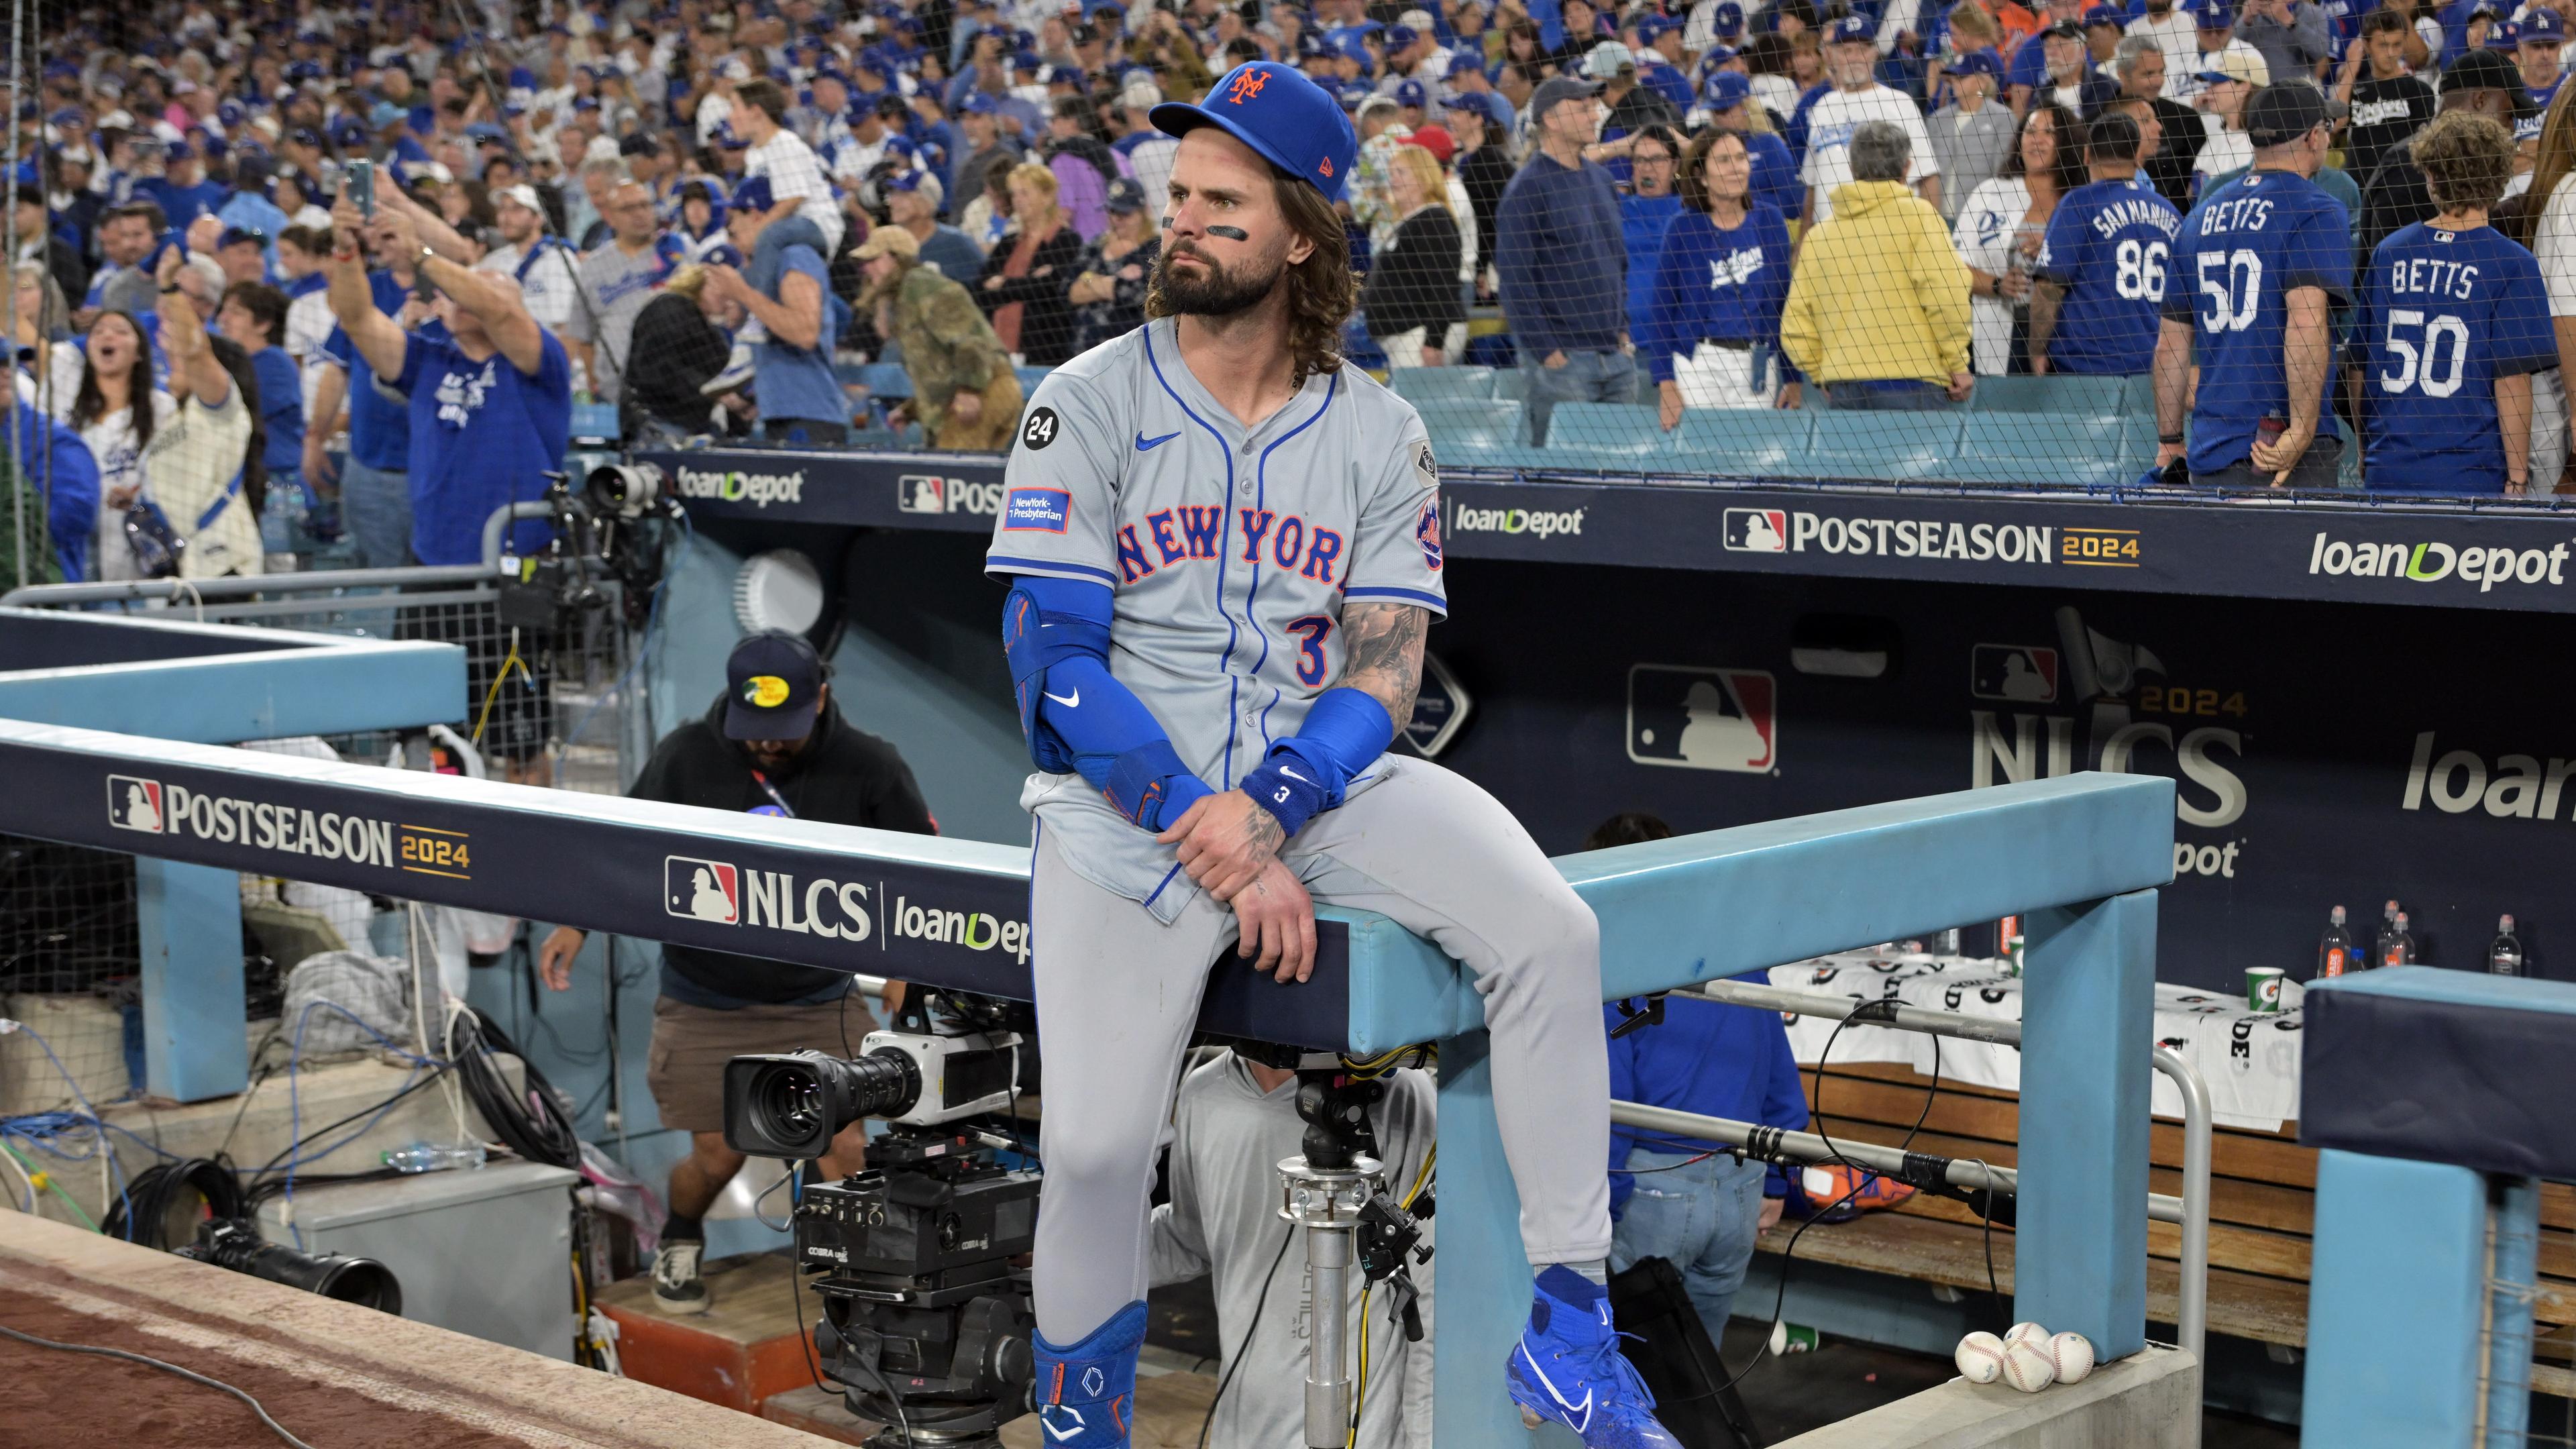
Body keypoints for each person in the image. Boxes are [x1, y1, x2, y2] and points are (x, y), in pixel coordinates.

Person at [983, 60, 1677, 1449]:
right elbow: (1054, 665)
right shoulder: (1087, 398)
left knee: (1550, 932)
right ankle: (1082, 1428)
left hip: (1321, 786)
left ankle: (1570, 1331)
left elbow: (1387, 668)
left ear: (1301, 232)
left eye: (1222, 202)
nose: (1183, 222)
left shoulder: (1381, 430)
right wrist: (1217, 831)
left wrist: (1281, 808)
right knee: (1099, 1152)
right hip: (1133, 815)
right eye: (1178, 197)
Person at [536, 631, 936, 1313]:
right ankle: (681, 1232)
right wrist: (575, 924)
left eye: (783, 731)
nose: (768, 745)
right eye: (756, 731)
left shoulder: (870, 764)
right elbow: (617, 844)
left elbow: (920, 874)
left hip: (818, 996)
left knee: (843, 1148)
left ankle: (865, 1280)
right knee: (720, 1155)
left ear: (822, 699)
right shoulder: (686, 757)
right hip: (706, 999)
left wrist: (909, 972)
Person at [1582, 812, 1807, 1352]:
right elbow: (1782, 1087)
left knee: (1634, 1374)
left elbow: (1613, 1110)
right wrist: (1776, 1185)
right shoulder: (1743, 963)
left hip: (1652, 1194)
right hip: (1741, 1192)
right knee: (1697, 1371)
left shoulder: (1619, 974)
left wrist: (1601, 1213)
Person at [1148, 1049, 1436, 1449]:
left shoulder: (1397, 1093)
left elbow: (1435, 1294)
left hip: (1361, 1431)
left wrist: (1426, 1438)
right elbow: (1188, 1236)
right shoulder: (1204, 1090)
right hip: (1243, 1425)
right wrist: (1064, 1263)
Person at [323, 197, 570, 580]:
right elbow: (356, 318)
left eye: (478, 292)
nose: (466, 299)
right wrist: (345, 250)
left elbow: (499, 312)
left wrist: (420, 254)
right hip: (432, 560)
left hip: (519, 561)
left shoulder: (539, 361)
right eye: (458, 293)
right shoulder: (428, 361)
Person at [2155, 80, 2353, 486]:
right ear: (2314, 137)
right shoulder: (2316, 209)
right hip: (2286, 453)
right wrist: (2301, 430)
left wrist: (2170, 439)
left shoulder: (2200, 214)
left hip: (2213, 448)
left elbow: (2171, 343)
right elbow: (2305, 322)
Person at [2353, 110, 2553, 491]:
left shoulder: (2389, 252)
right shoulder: (2512, 264)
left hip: (2389, 467)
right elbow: (2512, 381)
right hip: (2470, 477)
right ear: (2499, 177)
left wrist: (2366, 454)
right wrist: (2517, 477)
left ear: (2430, 177)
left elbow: (2359, 367)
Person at [1782, 119, 1976, 407]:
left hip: (1845, 387)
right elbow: (1945, 292)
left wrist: (1821, 370)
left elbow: (1794, 324)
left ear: (1852, 168)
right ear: (1907, 168)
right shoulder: (1921, 218)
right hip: (1915, 383)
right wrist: (1957, 361)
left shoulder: (1819, 235)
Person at [1498, 74, 1633, 444]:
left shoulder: (1603, 180)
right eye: (1582, 107)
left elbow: (1617, 262)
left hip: (1616, 358)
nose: (1594, 115)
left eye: (1593, 106)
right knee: (1564, 486)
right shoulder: (1526, 189)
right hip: (1564, 363)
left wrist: (1622, 332)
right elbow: (1514, 281)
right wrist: (1549, 353)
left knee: (1625, 482)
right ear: (1551, 120)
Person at [1646, 128, 1800, 424]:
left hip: (1758, 362)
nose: (1736, 168)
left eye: (1741, 158)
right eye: (1724, 160)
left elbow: (1783, 305)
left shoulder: (1770, 221)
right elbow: (1662, 308)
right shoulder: (1683, 228)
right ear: (1702, 176)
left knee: (1751, 462)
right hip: (1698, 364)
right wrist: (1665, 383)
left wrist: (1793, 378)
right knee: (1699, 462)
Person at [136, 244, 264, 580]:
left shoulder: (220, 410)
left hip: (221, 564)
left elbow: (194, 350)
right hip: (175, 563)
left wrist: (168, 285)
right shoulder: (171, 416)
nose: (168, 361)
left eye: (172, 353)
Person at [2358, 50, 2532, 282]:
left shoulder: (2452, 164)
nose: (2512, 128)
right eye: (2509, 114)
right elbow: (2394, 277)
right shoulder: (2408, 168)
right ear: (2480, 100)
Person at [2031, 111, 2184, 374]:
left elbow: (2049, 287)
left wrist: (2035, 351)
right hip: (2153, 367)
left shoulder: (2078, 204)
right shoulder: (2171, 212)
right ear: (2137, 157)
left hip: (2084, 368)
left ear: (2087, 154)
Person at [702, 175, 848, 447]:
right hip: (778, 414)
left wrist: (743, 293)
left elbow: (805, 332)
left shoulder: (795, 255)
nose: (730, 236)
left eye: (733, 223)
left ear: (756, 216)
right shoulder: (763, 269)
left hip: (809, 417)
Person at [855, 225, 1027, 450]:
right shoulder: (904, 297)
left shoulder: (921, 284)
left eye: (874, 259)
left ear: (897, 259)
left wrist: (969, 390)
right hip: (978, 390)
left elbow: (969, 339)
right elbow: (938, 369)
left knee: (955, 476)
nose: (866, 268)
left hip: (986, 389)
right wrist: (911, 411)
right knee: (969, 478)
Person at [47, 308, 175, 580]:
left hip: (139, 557)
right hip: (82, 551)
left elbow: (175, 477)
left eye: (120, 331)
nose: (107, 335)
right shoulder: (69, 413)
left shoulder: (161, 408)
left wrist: (140, 497)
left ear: (139, 352)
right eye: (98, 331)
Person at [1956, 104, 2084, 376]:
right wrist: (1997, 284)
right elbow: (1954, 266)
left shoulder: (2082, 198)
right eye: (2030, 131)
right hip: (2001, 328)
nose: (2036, 139)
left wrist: (2055, 252)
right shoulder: (1990, 193)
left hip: (2067, 331)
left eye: (2049, 132)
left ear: (2067, 142)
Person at [1803, 15, 1943, 225]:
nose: (1855, 58)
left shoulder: (1900, 104)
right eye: (1846, 51)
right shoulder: (1823, 107)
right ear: (1832, 56)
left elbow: (1927, 176)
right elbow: (1812, 185)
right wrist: (1804, 239)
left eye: (1862, 49)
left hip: (1890, 234)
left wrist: (1932, 236)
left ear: (1875, 54)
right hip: (1831, 239)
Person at [565, 180, 686, 408]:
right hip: (617, 395)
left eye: (644, 205)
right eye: (628, 209)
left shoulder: (678, 250)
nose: (639, 214)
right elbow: (584, 336)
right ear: (610, 217)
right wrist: (596, 384)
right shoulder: (593, 267)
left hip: (679, 387)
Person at [213, 280, 310, 558]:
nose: (224, 319)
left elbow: (233, 414)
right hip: (247, 489)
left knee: (280, 579)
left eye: (236, 312)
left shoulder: (274, 362)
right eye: (224, 311)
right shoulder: (233, 363)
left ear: (263, 324)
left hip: (279, 491)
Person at [1362, 142, 1470, 368]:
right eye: (1391, 174)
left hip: (1421, 336)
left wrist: (1434, 342)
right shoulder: (1412, 220)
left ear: (1424, 177)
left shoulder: (1433, 220)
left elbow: (1444, 284)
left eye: (1401, 172)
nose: (1394, 180)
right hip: (1407, 335)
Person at [976, 162, 1087, 366]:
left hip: (1046, 351)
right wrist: (1028, 283)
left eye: (1025, 193)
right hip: (997, 351)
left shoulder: (1066, 241)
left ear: (1047, 197)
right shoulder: (1008, 243)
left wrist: (1003, 284)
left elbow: (1051, 288)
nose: (1017, 201)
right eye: (1014, 194)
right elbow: (981, 291)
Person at [729, 77, 847, 255]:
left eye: (734, 107)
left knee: (769, 236)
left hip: (815, 222)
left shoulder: (784, 142)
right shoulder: (753, 154)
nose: (729, 116)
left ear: (755, 112)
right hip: (787, 227)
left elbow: (793, 199)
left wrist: (756, 232)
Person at [2339, 7, 2440, 185]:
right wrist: (2350, 71)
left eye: (2397, 44)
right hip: (2361, 188)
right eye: (2383, 45)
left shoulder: (2419, 90)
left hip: (2404, 188)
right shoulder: (2354, 90)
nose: (2391, 53)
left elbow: (2426, 148)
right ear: (2367, 46)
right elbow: (2334, 124)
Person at [472, 183, 584, 343]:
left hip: (546, 350)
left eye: (516, 209)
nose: (506, 217)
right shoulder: (492, 261)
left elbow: (564, 325)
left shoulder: (558, 258)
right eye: (502, 209)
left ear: (538, 218)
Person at [2111, 36, 2208, 207]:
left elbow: (2195, 185)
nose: (2158, 82)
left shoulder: (2185, 119)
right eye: (2148, 74)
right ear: (2122, 74)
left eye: (2161, 72)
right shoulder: (2096, 122)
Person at [1068, 176, 1162, 354]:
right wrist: (1115, 280)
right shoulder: (1095, 246)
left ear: (1144, 212)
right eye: (1112, 211)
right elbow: (1068, 292)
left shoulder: (1155, 248)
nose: (1116, 219)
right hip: (1081, 351)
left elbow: (1139, 295)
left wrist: (1088, 280)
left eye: (1124, 214)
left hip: (1129, 353)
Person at [1619, 124, 1687, 367]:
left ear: (1675, 165)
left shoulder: (1691, 209)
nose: (1647, 168)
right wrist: (1621, 145)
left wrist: (1686, 143)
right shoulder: (1617, 206)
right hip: (1624, 344)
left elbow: (1732, 180)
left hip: (1676, 346)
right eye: (1639, 160)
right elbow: (1566, 169)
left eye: (1657, 159)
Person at [1931, 52, 2019, 221]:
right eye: (1953, 78)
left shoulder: (2003, 118)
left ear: (1982, 81)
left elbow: (2002, 173)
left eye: (1961, 77)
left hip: (1979, 217)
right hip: (1938, 216)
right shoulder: (1937, 119)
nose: (1955, 82)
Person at [881, 170, 988, 284]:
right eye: (892, 194)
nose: (893, 201)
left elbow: (983, 287)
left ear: (926, 203)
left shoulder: (957, 243)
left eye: (903, 195)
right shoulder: (887, 248)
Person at [2194, 51, 2270, 188]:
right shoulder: (2213, 143)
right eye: (2211, 83)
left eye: (2217, 83)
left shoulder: (2264, 145)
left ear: (2244, 88)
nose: (2210, 90)